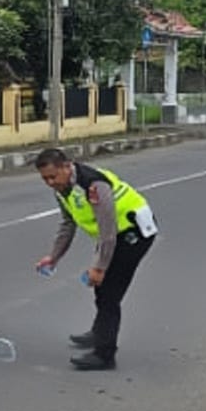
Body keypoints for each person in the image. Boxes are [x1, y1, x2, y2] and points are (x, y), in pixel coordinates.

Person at [33, 148, 156, 371]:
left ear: (67, 167)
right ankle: (100, 333)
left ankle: (104, 355)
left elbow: (108, 232)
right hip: (114, 235)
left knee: (109, 292)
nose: (50, 183)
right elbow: (68, 223)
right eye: (45, 179)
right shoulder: (62, 189)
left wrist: (99, 268)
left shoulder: (93, 186)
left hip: (134, 233)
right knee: (102, 289)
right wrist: (53, 257)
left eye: (53, 176)